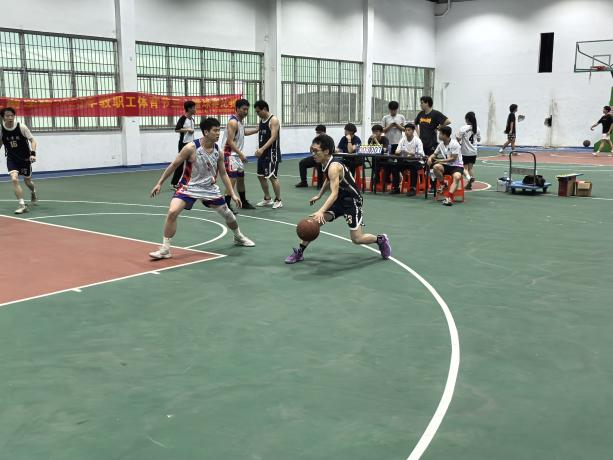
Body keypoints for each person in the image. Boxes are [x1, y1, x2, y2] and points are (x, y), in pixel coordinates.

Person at [148, 117, 254, 259]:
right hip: (189, 187)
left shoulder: (218, 151)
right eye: (215, 131)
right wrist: (160, 183)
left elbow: (223, 173)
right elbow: (174, 165)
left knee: (229, 215)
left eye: (219, 130)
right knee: (172, 212)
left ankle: (238, 236)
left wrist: (233, 194)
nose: (218, 133)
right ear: (206, 132)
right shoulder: (191, 148)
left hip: (209, 188)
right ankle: (165, 249)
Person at [284, 134, 391, 264]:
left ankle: (380, 239)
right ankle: (299, 252)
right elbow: (328, 179)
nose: (313, 154)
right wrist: (319, 195)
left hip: (351, 201)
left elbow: (333, 194)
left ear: (326, 151)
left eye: (316, 151)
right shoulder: (325, 163)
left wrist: (320, 210)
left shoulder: (334, 167)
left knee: (357, 239)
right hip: (338, 200)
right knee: (314, 223)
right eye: (312, 150)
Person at [221, 98, 258, 212]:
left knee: (241, 179)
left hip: (236, 156)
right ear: (237, 109)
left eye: (247, 109)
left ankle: (243, 202)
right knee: (232, 180)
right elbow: (230, 141)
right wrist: (241, 154)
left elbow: (244, 133)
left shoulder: (240, 122)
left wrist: (257, 129)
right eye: (244, 109)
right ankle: (226, 205)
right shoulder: (233, 122)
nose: (246, 112)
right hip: (230, 155)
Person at [1, 107, 38, 214]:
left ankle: (33, 192)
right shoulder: (1, 129)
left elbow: (33, 141)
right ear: (3, 117)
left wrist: (33, 154)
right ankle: (22, 205)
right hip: (12, 158)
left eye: (12, 115)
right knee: (14, 179)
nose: (10, 117)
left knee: (27, 181)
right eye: (7, 116)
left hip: (25, 158)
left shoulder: (21, 127)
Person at [253, 100, 283, 209]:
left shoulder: (273, 120)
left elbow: (274, 137)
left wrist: (262, 149)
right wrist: (242, 132)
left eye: (258, 111)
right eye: (256, 112)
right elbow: (258, 130)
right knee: (260, 176)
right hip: (263, 153)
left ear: (265, 109)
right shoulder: (262, 120)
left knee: (272, 176)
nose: (257, 114)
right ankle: (267, 198)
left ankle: (278, 200)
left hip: (271, 153)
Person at [428, 126, 463, 206]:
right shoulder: (441, 145)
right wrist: (430, 158)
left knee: (457, 177)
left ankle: (449, 197)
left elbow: (453, 159)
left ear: (445, 135)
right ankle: (443, 184)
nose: (438, 135)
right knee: (436, 167)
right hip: (447, 165)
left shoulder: (455, 144)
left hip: (457, 166)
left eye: (440, 134)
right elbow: (434, 154)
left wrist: (440, 161)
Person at [391, 122, 425, 196]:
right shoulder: (402, 140)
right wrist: (398, 152)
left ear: (413, 131)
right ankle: (396, 188)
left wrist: (411, 153)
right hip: (406, 161)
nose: (407, 132)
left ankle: (413, 189)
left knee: (413, 168)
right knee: (395, 167)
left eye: (409, 130)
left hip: (417, 161)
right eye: (406, 130)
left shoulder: (418, 140)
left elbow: (420, 153)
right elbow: (397, 150)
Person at [171, 101, 197, 189]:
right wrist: (187, 130)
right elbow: (177, 129)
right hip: (183, 144)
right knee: (180, 164)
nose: (195, 109)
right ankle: (174, 183)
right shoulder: (183, 118)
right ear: (189, 109)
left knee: (192, 162)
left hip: (191, 144)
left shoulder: (192, 119)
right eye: (194, 108)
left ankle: (189, 181)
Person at [456, 111, 481, 189]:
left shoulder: (463, 128)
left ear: (467, 119)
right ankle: (469, 183)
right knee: (470, 168)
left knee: (464, 168)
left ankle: (469, 179)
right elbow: (479, 139)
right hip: (474, 151)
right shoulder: (477, 128)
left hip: (465, 151)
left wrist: (459, 140)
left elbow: (458, 138)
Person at [367, 124, 391, 192]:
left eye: (376, 131)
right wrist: (372, 140)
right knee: (375, 161)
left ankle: (386, 181)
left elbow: (383, 150)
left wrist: (375, 140)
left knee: (389, 164)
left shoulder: (384, 139)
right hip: (376, 159)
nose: (375, 133)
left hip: (385, 159)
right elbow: (369, 149)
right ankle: (376, 181)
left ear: (381, 132)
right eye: (373, 132)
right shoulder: (370, 139)